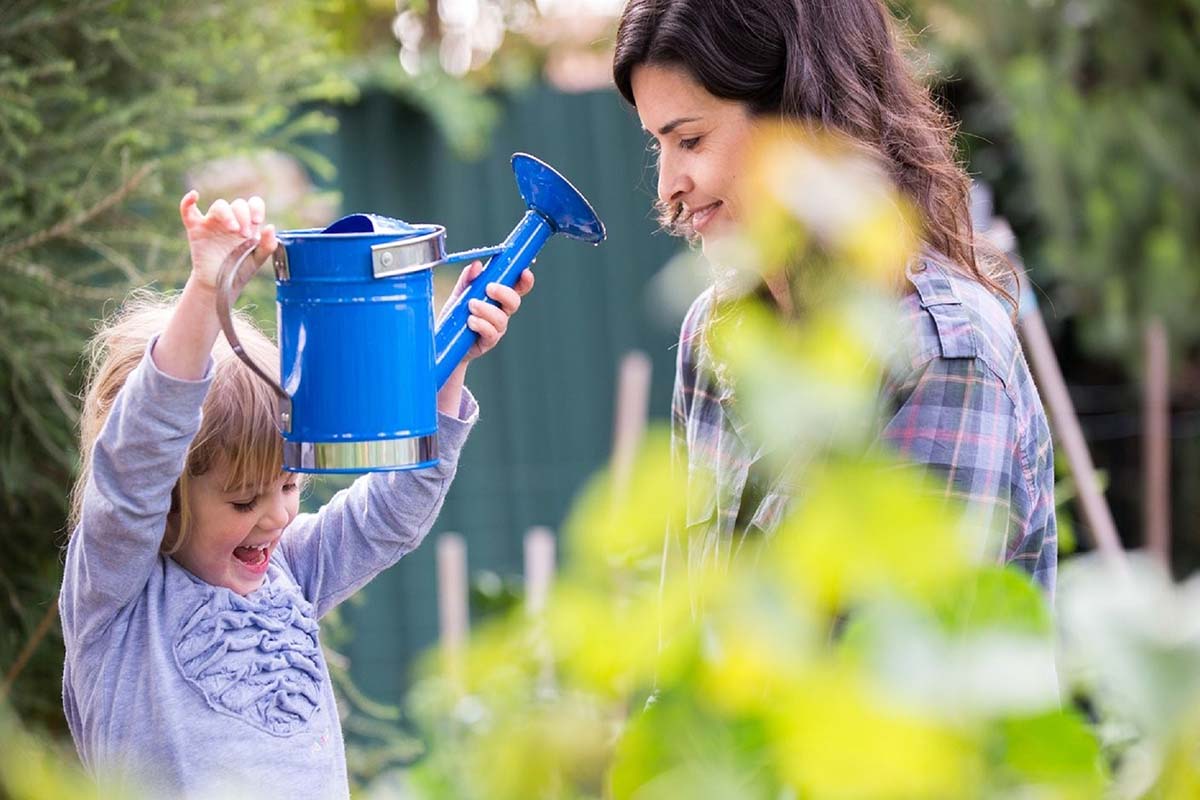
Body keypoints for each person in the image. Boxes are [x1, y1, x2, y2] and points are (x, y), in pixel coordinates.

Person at [59, 191, 533, 798]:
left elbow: (388, 517)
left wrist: (449, 363)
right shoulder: (118, 598)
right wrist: (208, 295)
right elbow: (137, 460)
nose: (278, 516)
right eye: (242, 501)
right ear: (169, 496)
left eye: (289, 484)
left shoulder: (290, 571)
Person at [612, 0, 1057, 596]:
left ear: (799, 122)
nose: (669, 185)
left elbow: (900, 673)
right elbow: (684, 634)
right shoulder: (716, 329)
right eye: (657, 146)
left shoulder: (940, 355)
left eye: (690, 140)